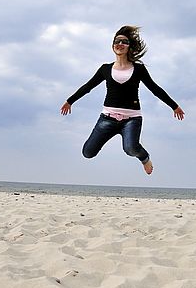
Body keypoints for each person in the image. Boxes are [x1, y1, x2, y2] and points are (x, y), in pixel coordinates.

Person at [60, 25, 184, 175]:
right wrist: (70, 101)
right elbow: (88, 86)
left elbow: (155, 88)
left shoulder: (139, 69)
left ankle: (144, 158)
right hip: (107, 119)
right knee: (88, 153)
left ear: (129, 46)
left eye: (124, 42)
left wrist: (174, 106)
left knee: (130, 149)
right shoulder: (105, 69)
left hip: (131, 120)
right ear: (113, 46)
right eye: (117, 41)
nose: (120, 44)